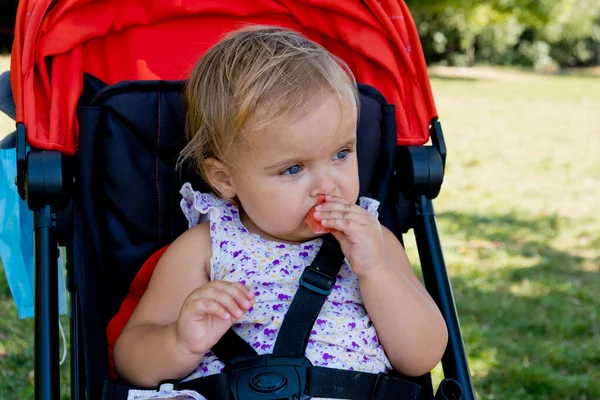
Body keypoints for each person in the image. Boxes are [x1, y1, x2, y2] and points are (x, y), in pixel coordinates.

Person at [113, 26, 448, 396]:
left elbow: (423, 357)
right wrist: (179, 342)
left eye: (341, 154)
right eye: (293, 169)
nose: (328, 185)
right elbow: (129, 360)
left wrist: (376, 271)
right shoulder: (205, 248)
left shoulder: (371, 241)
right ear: (226, 180)